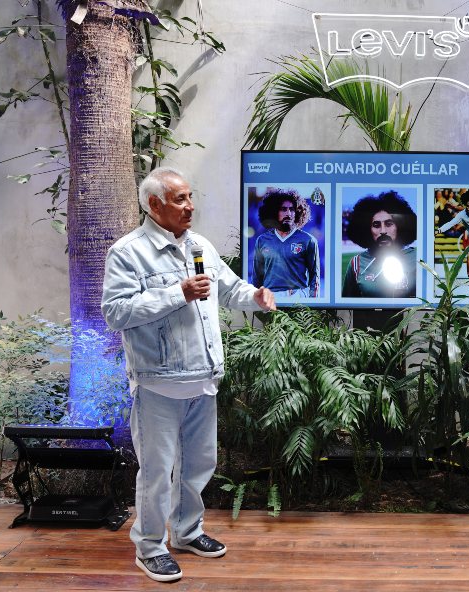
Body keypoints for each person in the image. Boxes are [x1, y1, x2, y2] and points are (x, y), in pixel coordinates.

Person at [102, 167, 276, 583]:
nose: (190, 206)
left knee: (199, 465)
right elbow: (116, 312)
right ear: (154, 204)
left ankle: (186, 532)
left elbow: (228, 288)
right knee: (157, 472)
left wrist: (254, 296)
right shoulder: (127, 252)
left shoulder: (200, 245)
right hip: (158, 383)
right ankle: (150, 547)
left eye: (190, 197)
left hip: (204, 378)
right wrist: (176, 293)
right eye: (180, 199)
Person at [342, 190, 418, 298]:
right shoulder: (356, 263)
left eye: (389, 224)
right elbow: (347, 305)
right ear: (367, 230)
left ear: (400, 226)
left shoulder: (417, 260)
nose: (383, 231)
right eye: (376, 225)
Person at [252, 189, 320, 298]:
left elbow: (314, 278)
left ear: (297, 212)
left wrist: (313, 303)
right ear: (273, 212)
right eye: (283, 209)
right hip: (270, 298)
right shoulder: (262, 240)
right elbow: (257, 277)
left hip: (297, 298)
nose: (288, 213)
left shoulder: (308, 240)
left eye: (292, 209)